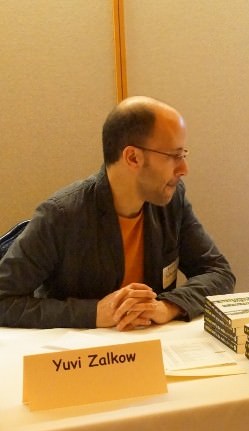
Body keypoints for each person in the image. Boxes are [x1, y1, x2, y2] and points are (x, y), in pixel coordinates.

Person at [0, 96, 235, 330]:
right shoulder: (60, 216)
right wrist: (93, 313)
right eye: (174, 156)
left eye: (184, 155)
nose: (184, 169)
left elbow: (219, 273)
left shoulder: (171, 202)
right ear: (133, 157)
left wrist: (167, 306)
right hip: (78, 359)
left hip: (153, 351)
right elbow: (4, 300)